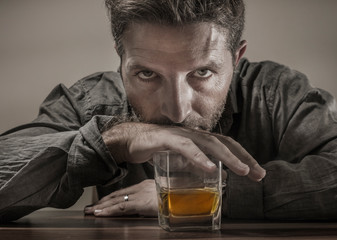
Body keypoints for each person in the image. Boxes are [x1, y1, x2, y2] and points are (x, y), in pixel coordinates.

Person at [0, 0, 336, 223]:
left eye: (202, 72)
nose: (176, 112)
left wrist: (203, 197)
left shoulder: (275, 93)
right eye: (147, 74)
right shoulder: (91, 101)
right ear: (121, 59)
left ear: (235, 58)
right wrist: (114, 140)